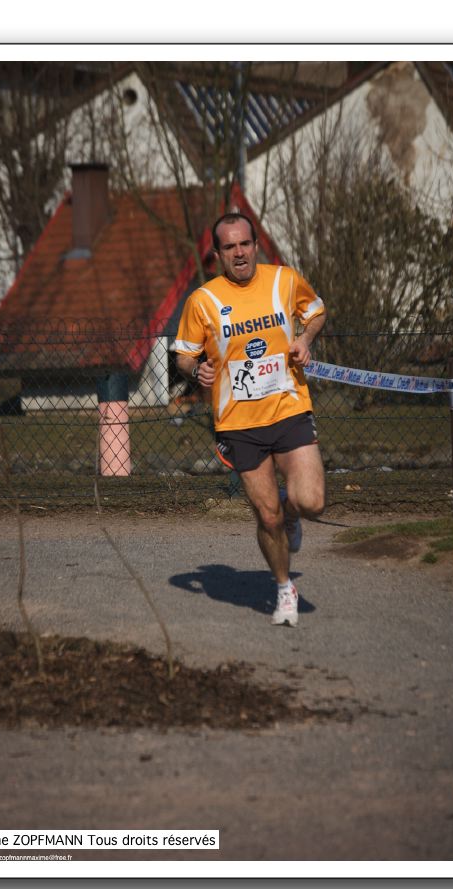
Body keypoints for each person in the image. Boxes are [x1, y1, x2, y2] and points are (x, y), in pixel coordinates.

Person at [175, 212, 326, 626]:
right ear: (217, 254)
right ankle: (284, 587)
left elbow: (316, 312)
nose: (239, 253)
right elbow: (184, 354)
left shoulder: (284, 280)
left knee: (310, 502)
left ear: (256, 245)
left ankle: (293, 514)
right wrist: (197, 370)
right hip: (239, 424)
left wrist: (304, 339)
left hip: (289, 407)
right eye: (229, 247)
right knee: (267, 516)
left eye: (245, 244)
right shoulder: (203, 300)